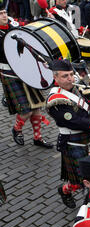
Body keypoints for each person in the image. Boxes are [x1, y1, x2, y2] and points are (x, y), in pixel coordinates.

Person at [45, 59, 90, 209]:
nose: (69, 79)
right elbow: (77, 121)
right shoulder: (55, 100)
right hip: (72, 142)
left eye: (70, 74)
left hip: (89, 138)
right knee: (82, 180)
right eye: (64, 76)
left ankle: (73, 194)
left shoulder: (76, 87)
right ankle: (68, 193)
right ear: (55, 78)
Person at [0, 5, 53, 150]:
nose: (4, 15)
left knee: (36, 108)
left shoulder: (14, 27)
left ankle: (38, 138)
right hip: (8, 73)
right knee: (26, 110)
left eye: (5, 12)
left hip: (25, 71)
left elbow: (30, 29)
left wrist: (46, 20)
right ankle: (17, 129)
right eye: (0, 14)